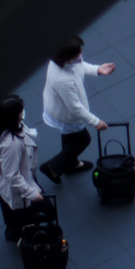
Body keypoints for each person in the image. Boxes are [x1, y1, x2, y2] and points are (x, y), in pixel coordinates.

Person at [41, 37, 115, 185]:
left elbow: (79, 66)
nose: (80, 56)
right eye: (76, 55)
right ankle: (52, 167)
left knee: (70, 137)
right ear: (66, 58)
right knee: (83, 139)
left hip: (61, 110)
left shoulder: (61, 62)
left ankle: (71, 164)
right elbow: (74, 107)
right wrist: (95, 121)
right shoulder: (63, 80)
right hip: (66, 114)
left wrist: (97, 69)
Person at [0, 95, 45, 242]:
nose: (22, 114)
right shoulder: (11, 144)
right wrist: (31, 193)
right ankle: (25, 237)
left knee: (8, 209)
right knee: (26, 216)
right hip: (19, 189)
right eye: (20, 112)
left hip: (3, 184)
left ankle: (12, 232)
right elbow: (13, 176)